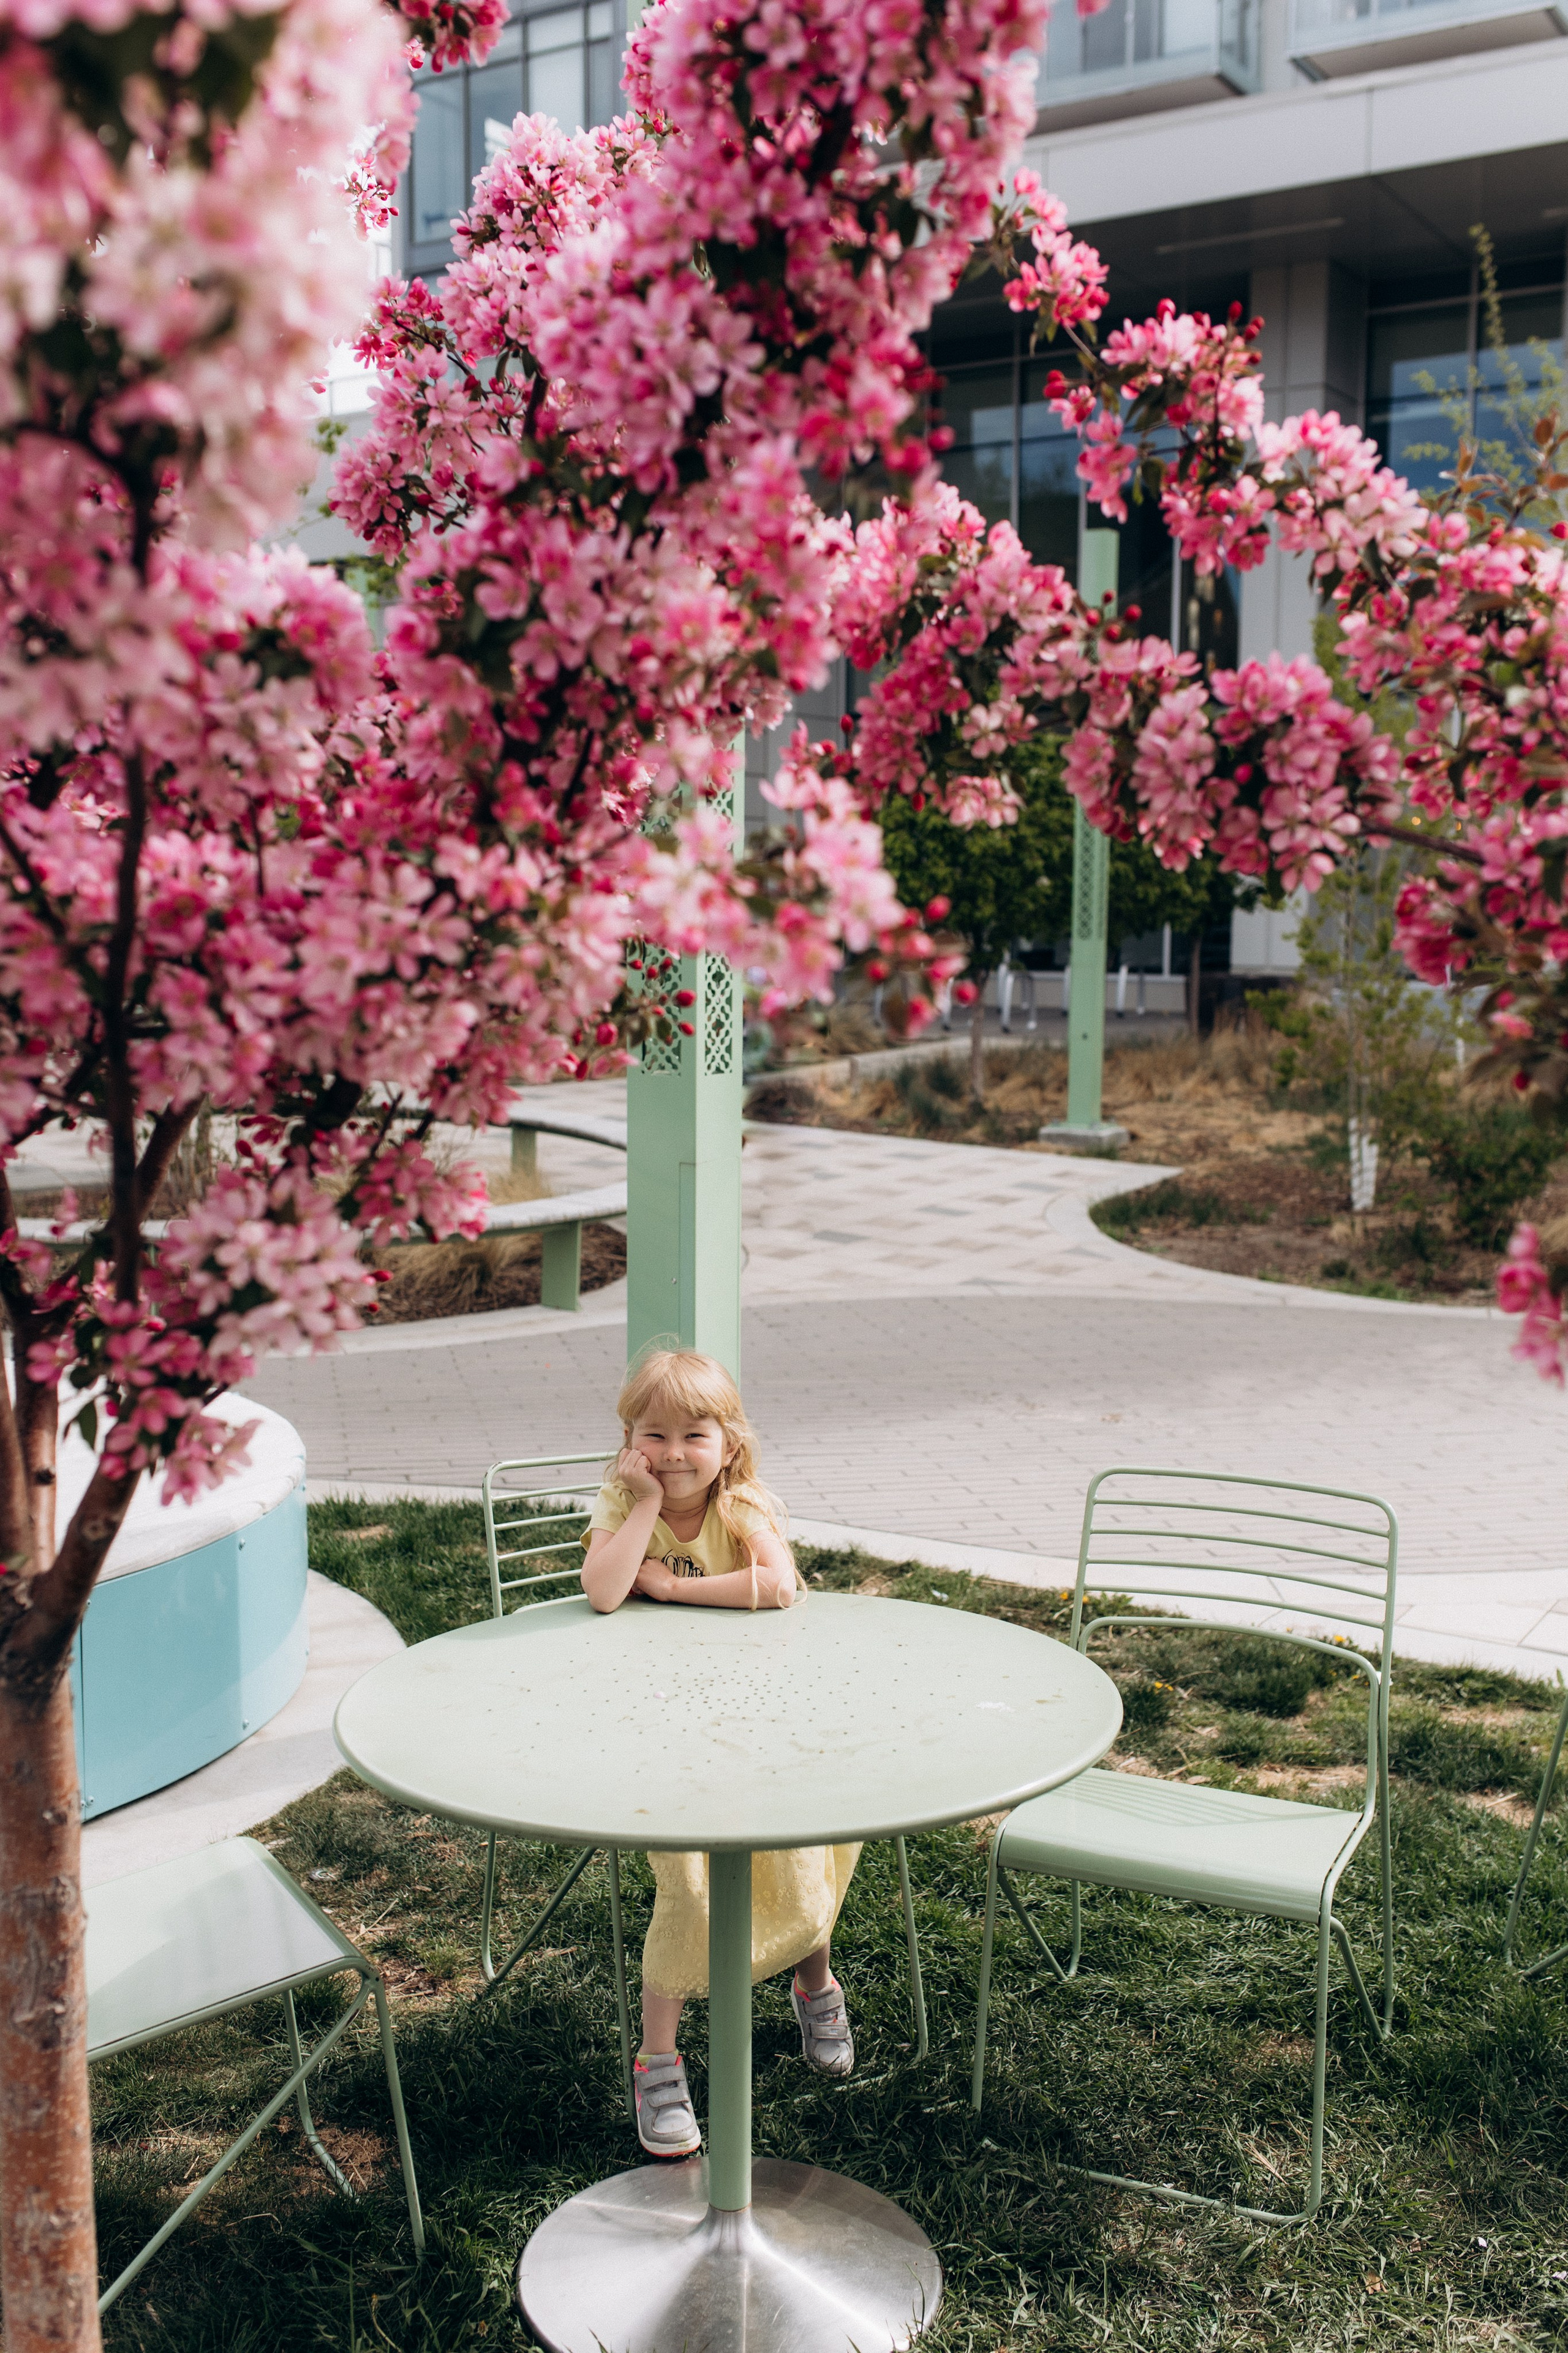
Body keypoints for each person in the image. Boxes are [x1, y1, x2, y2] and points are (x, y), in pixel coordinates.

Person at [581, 1346, 859, 2160]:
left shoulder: (742, 1505)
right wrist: (638, 1512)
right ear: (630, 1441)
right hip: (661, 1736)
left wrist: (670, 1588)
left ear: (728, 1443)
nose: (672, 1453)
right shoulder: (620, 1499)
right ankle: (658, 2057)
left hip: (757, 1723)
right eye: (652, 1434)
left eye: (693, 1434)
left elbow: (777, 1586)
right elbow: (602, 1591)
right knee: (692, 1888)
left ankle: (816, 1986)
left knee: (801, 1848)